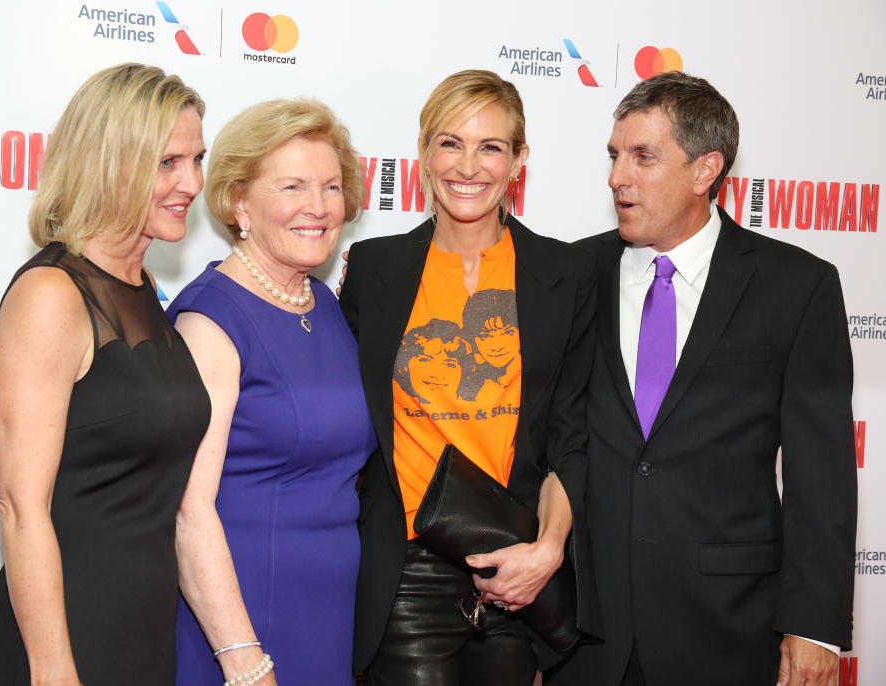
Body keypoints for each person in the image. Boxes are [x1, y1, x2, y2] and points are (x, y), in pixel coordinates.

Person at [545, 71, 856, 686]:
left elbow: (821, 472)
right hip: (584, 634)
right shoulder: (572, 273)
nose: (616, 178)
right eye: (614, 156)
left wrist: (814, 624)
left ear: (705, 169)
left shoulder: (796, 286)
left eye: (643, 157)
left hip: (728, 628)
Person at [339, 69, 600, 686]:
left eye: (491, 147)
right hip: (407, 567)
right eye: (451, 143)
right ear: (425, 154)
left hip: (516, 569)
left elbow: (571, 436)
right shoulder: (375, 268)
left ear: (519, 161)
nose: (469, 166)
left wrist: (546, 552)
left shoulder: (563, 273)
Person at [0, 63, 210, 685]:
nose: (192, 182)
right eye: (167, 163)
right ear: (111, 163)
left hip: (143, 635)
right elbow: (21, 504)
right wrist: (54, 673)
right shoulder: (52, 293)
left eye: (196, 159)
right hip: (62, 644)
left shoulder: (142, 286)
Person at [168, 99, 376, 686]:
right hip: (241, 627)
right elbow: (189, 510)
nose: (317, 207)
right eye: (293, 186)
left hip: (326, 620)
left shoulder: (324, 305)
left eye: (331, 187)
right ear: (240, 204)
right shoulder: (211, 321)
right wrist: (244, 660)